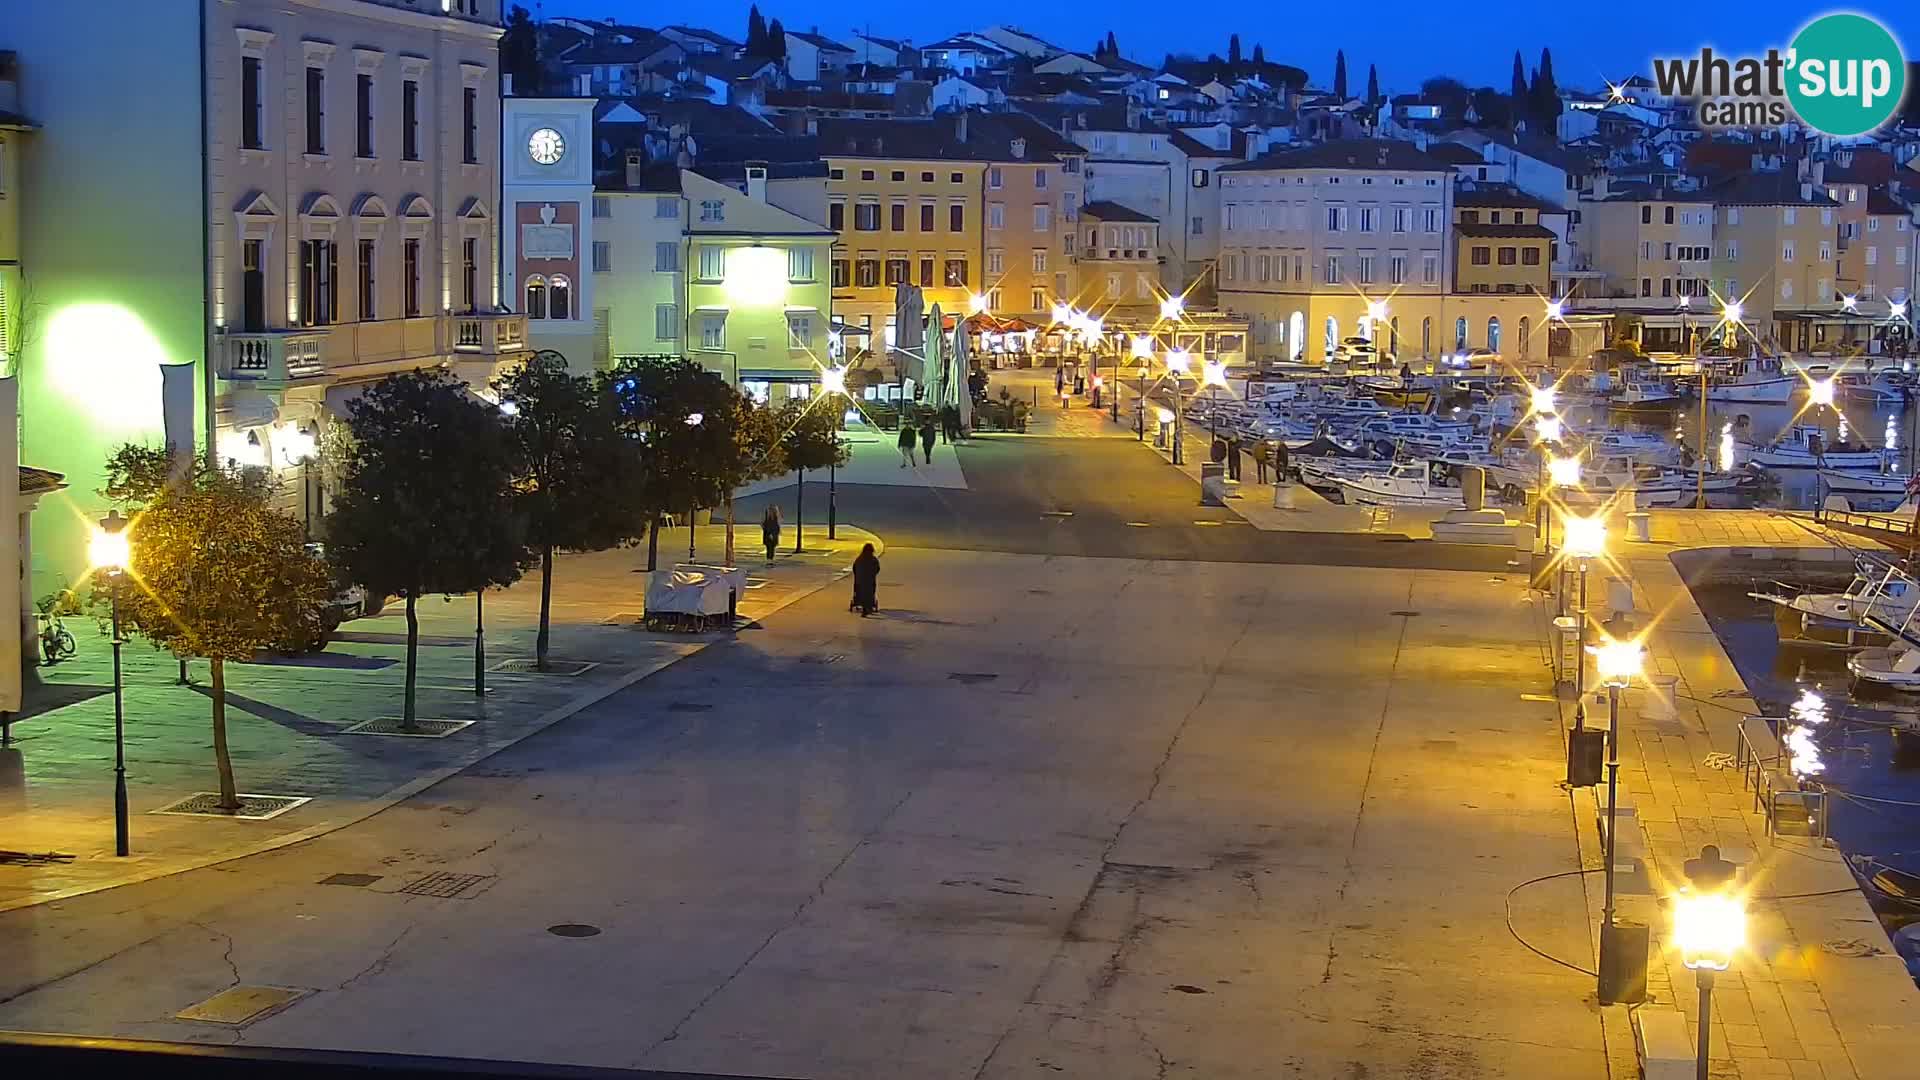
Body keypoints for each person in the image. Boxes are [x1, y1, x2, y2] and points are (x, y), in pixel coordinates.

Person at [850, 543, 881, 616]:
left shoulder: (859, 559)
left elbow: (854, 568)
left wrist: (858, 575)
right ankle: (868, 605)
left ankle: (859, 601)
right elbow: (877, 569)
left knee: (859, 589)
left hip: (860, 580)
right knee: (870, 590)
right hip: (870, 580)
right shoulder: (873, 559)